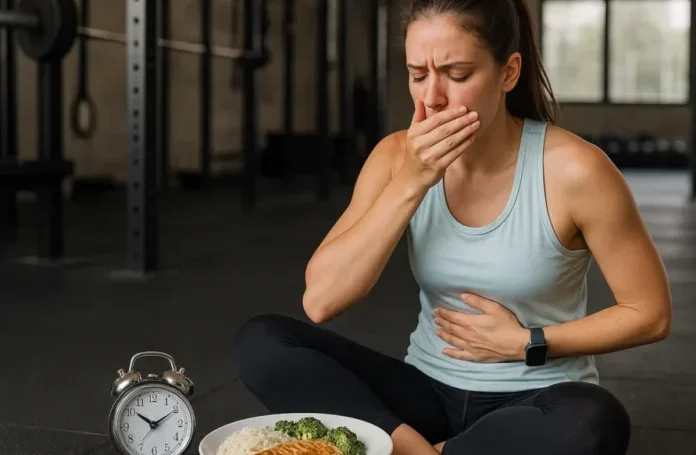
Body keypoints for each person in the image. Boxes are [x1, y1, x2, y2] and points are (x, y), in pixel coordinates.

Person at [232, 0, 672, 454]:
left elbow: (650, 312)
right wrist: (411, 181)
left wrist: (527, 342)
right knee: (261, 343)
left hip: (538, 401)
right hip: (427, 394)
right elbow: (321, 301)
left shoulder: (576, 170)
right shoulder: (394, 158)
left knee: (596, 421)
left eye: (457, 75)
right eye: (417, 75)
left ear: (509, 73)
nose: (432, 98)